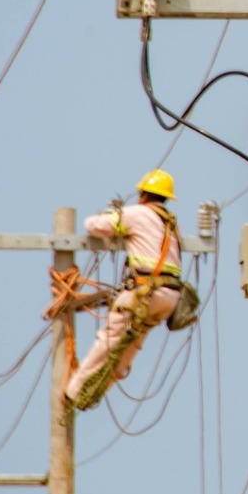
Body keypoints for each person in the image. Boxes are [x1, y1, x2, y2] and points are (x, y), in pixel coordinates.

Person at [65, 168, 186, 409]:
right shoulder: (171, 224)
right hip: (170, 297)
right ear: (165, 199)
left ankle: (74, 393)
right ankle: (94, 395)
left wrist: (113, 214)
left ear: (143, 195)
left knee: (108, 340)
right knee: (131, 346)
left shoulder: (137, 214)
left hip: (144, 291)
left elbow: (94, 226)